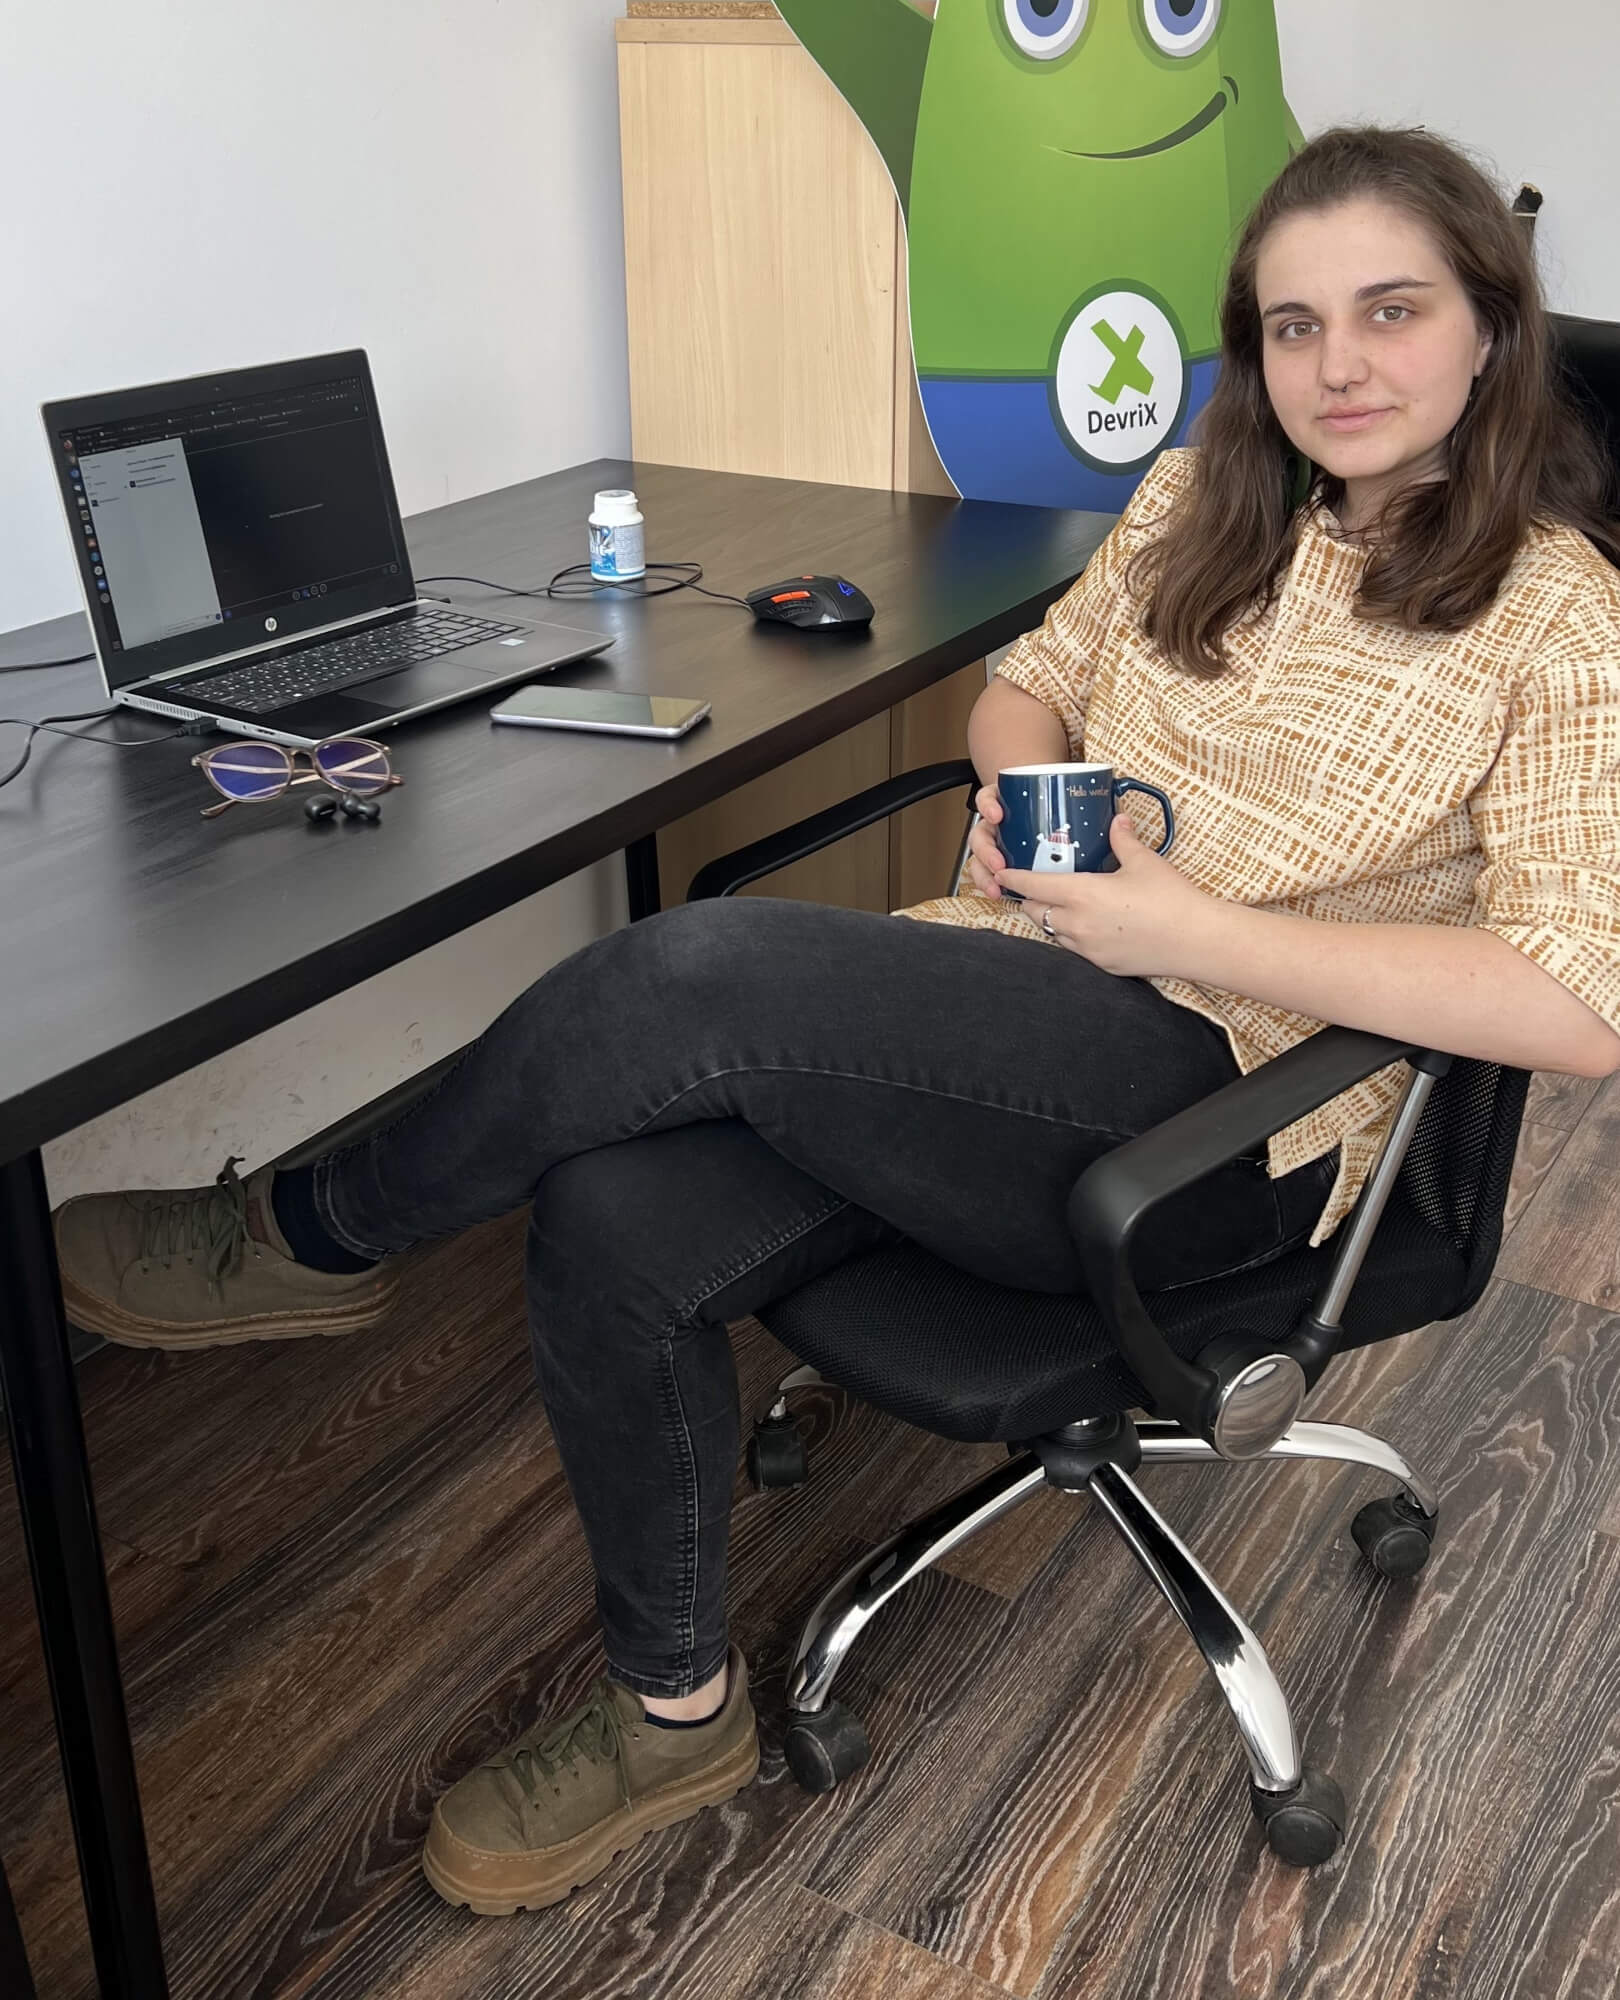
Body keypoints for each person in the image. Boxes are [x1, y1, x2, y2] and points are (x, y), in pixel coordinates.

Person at [53, 126, 1620, 1916]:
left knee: (693, 975)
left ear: (1491, 329)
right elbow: (1026, 687)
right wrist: (1024, 802)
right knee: (611, 1209)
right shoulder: (1203, 497)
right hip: (1019, 995)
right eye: (1292, 325)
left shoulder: (1562, 617)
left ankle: (313, 1232)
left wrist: (1196, 926)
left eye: (1391, 312)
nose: (1337, 366)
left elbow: (1579, 1001)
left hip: (1220, 1116)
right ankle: (673, 1714)